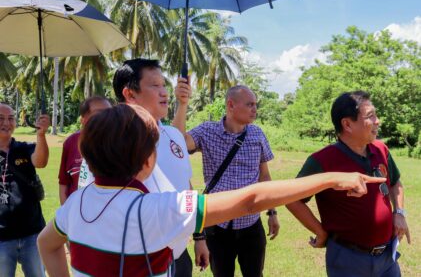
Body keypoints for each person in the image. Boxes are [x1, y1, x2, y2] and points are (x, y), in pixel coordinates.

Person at [36, 104, 385, 277]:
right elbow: (252, 197)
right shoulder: (154, 210)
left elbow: (46, 244)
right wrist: (330, 178)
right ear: (147, 162)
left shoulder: (77, 202)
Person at [286, 91, 410, 277]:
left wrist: (399, 212)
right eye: (370, 116)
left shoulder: (381, 149)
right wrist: (320, 232)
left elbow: (395, 182)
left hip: (386, 257)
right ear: (347, 124)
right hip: (348, 259)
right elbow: (292, 199)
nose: (378, 121)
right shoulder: (322, 160)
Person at [106, 58, 208, 275]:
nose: (164, 92)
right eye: (155, 85)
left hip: (178, 255)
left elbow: (186, 188)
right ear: (130, 94)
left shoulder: (174, 136)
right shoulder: (110, 141)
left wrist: (199, 237)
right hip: (135, 259)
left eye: (164, 85)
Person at [173, 84, 280, 277]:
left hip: (251, 224)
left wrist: (272, 212)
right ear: (231, 105)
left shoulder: (257, 134)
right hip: (218, 227)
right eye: (250, 104)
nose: (255, 109)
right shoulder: (207, 131)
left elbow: (264, 176)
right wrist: (182, 104)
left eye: (255, 104)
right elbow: (177, 143)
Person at [0, 103, 50, 277]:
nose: (6, 122)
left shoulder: (24, 148)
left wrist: (41, 135)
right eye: (1, 118)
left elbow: (40, 161)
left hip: (32, 234)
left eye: (11, 118)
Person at [58, 96, 111, 205]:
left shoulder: (119, 142)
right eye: (100, 113)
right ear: (83, 119)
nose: (107, 117)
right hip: (77, 213)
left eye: (110, 112)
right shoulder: (71, 142)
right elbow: (64, 183)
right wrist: (66, 213)